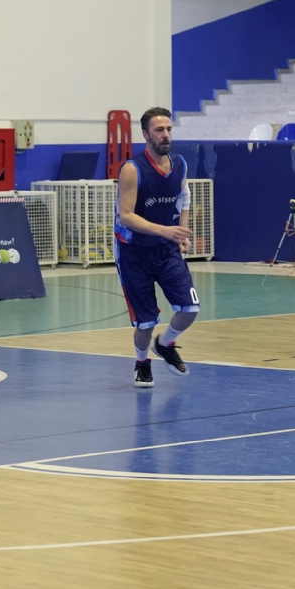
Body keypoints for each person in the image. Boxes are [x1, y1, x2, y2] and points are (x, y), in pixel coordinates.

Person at [114, 107, 198, 388]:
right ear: (146, 134)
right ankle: (142, 362)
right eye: (159, 130)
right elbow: (126, 216)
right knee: (145, 323)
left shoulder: (180, 164)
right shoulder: (132, 169)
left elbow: (184, 195)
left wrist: (181, 232)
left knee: (190, 308)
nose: (166, 135)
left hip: (166, 249)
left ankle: (165, 343)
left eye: (169, 129)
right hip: (133, 252)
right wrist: (165, 230)